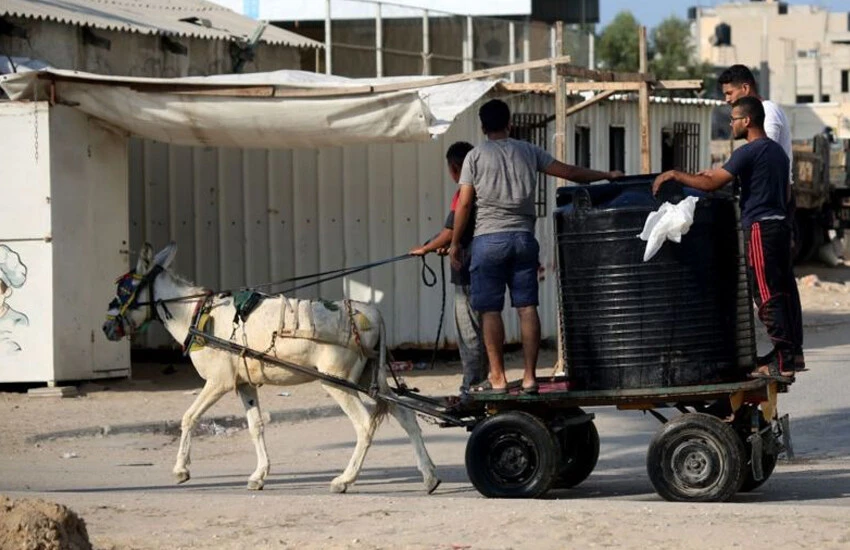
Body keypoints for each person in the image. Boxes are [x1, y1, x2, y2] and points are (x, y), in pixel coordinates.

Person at [450, 99, 623, 394]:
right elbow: (568, 172)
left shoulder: (475, 157)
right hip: (523, 239)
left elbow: (465, 202)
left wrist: (455, 242)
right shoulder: (528, 151)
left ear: (482, 127)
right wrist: (606, 175)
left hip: (488, 241)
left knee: (490, 310)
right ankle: (530, 377)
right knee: (527, 308)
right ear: (510, 123)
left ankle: (498, 378)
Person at [652, 96, 801, 381]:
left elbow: (712, 183)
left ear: (747, 121)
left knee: (766, 295)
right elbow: (784, 194)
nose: (730, 124)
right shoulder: (777, 153)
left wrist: (675, 174)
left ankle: (783, 360)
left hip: (759, 229)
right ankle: (790, 354)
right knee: (779, 291)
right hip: (780, 227)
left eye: (733, 118)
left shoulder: (748, 152)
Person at [717, 64, 805, 371]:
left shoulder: (767, 117)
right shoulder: (766, 132)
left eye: (730, 94)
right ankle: (791, 352)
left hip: (766, 212)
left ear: (745, 89)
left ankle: (784, 354)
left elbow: (761, 156)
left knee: (767, 288)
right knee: (781, 285)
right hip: (777, 208)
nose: (728, 101)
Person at [409, 141, 487, 400]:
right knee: (484, 328)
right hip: (485, 263)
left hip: (466, 268)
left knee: (469, 333)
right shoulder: (487, 189)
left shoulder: (464, 192)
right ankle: (482, 381)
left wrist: (427, 248)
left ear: (455, 168)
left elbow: (452, 230)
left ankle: (472, 386)